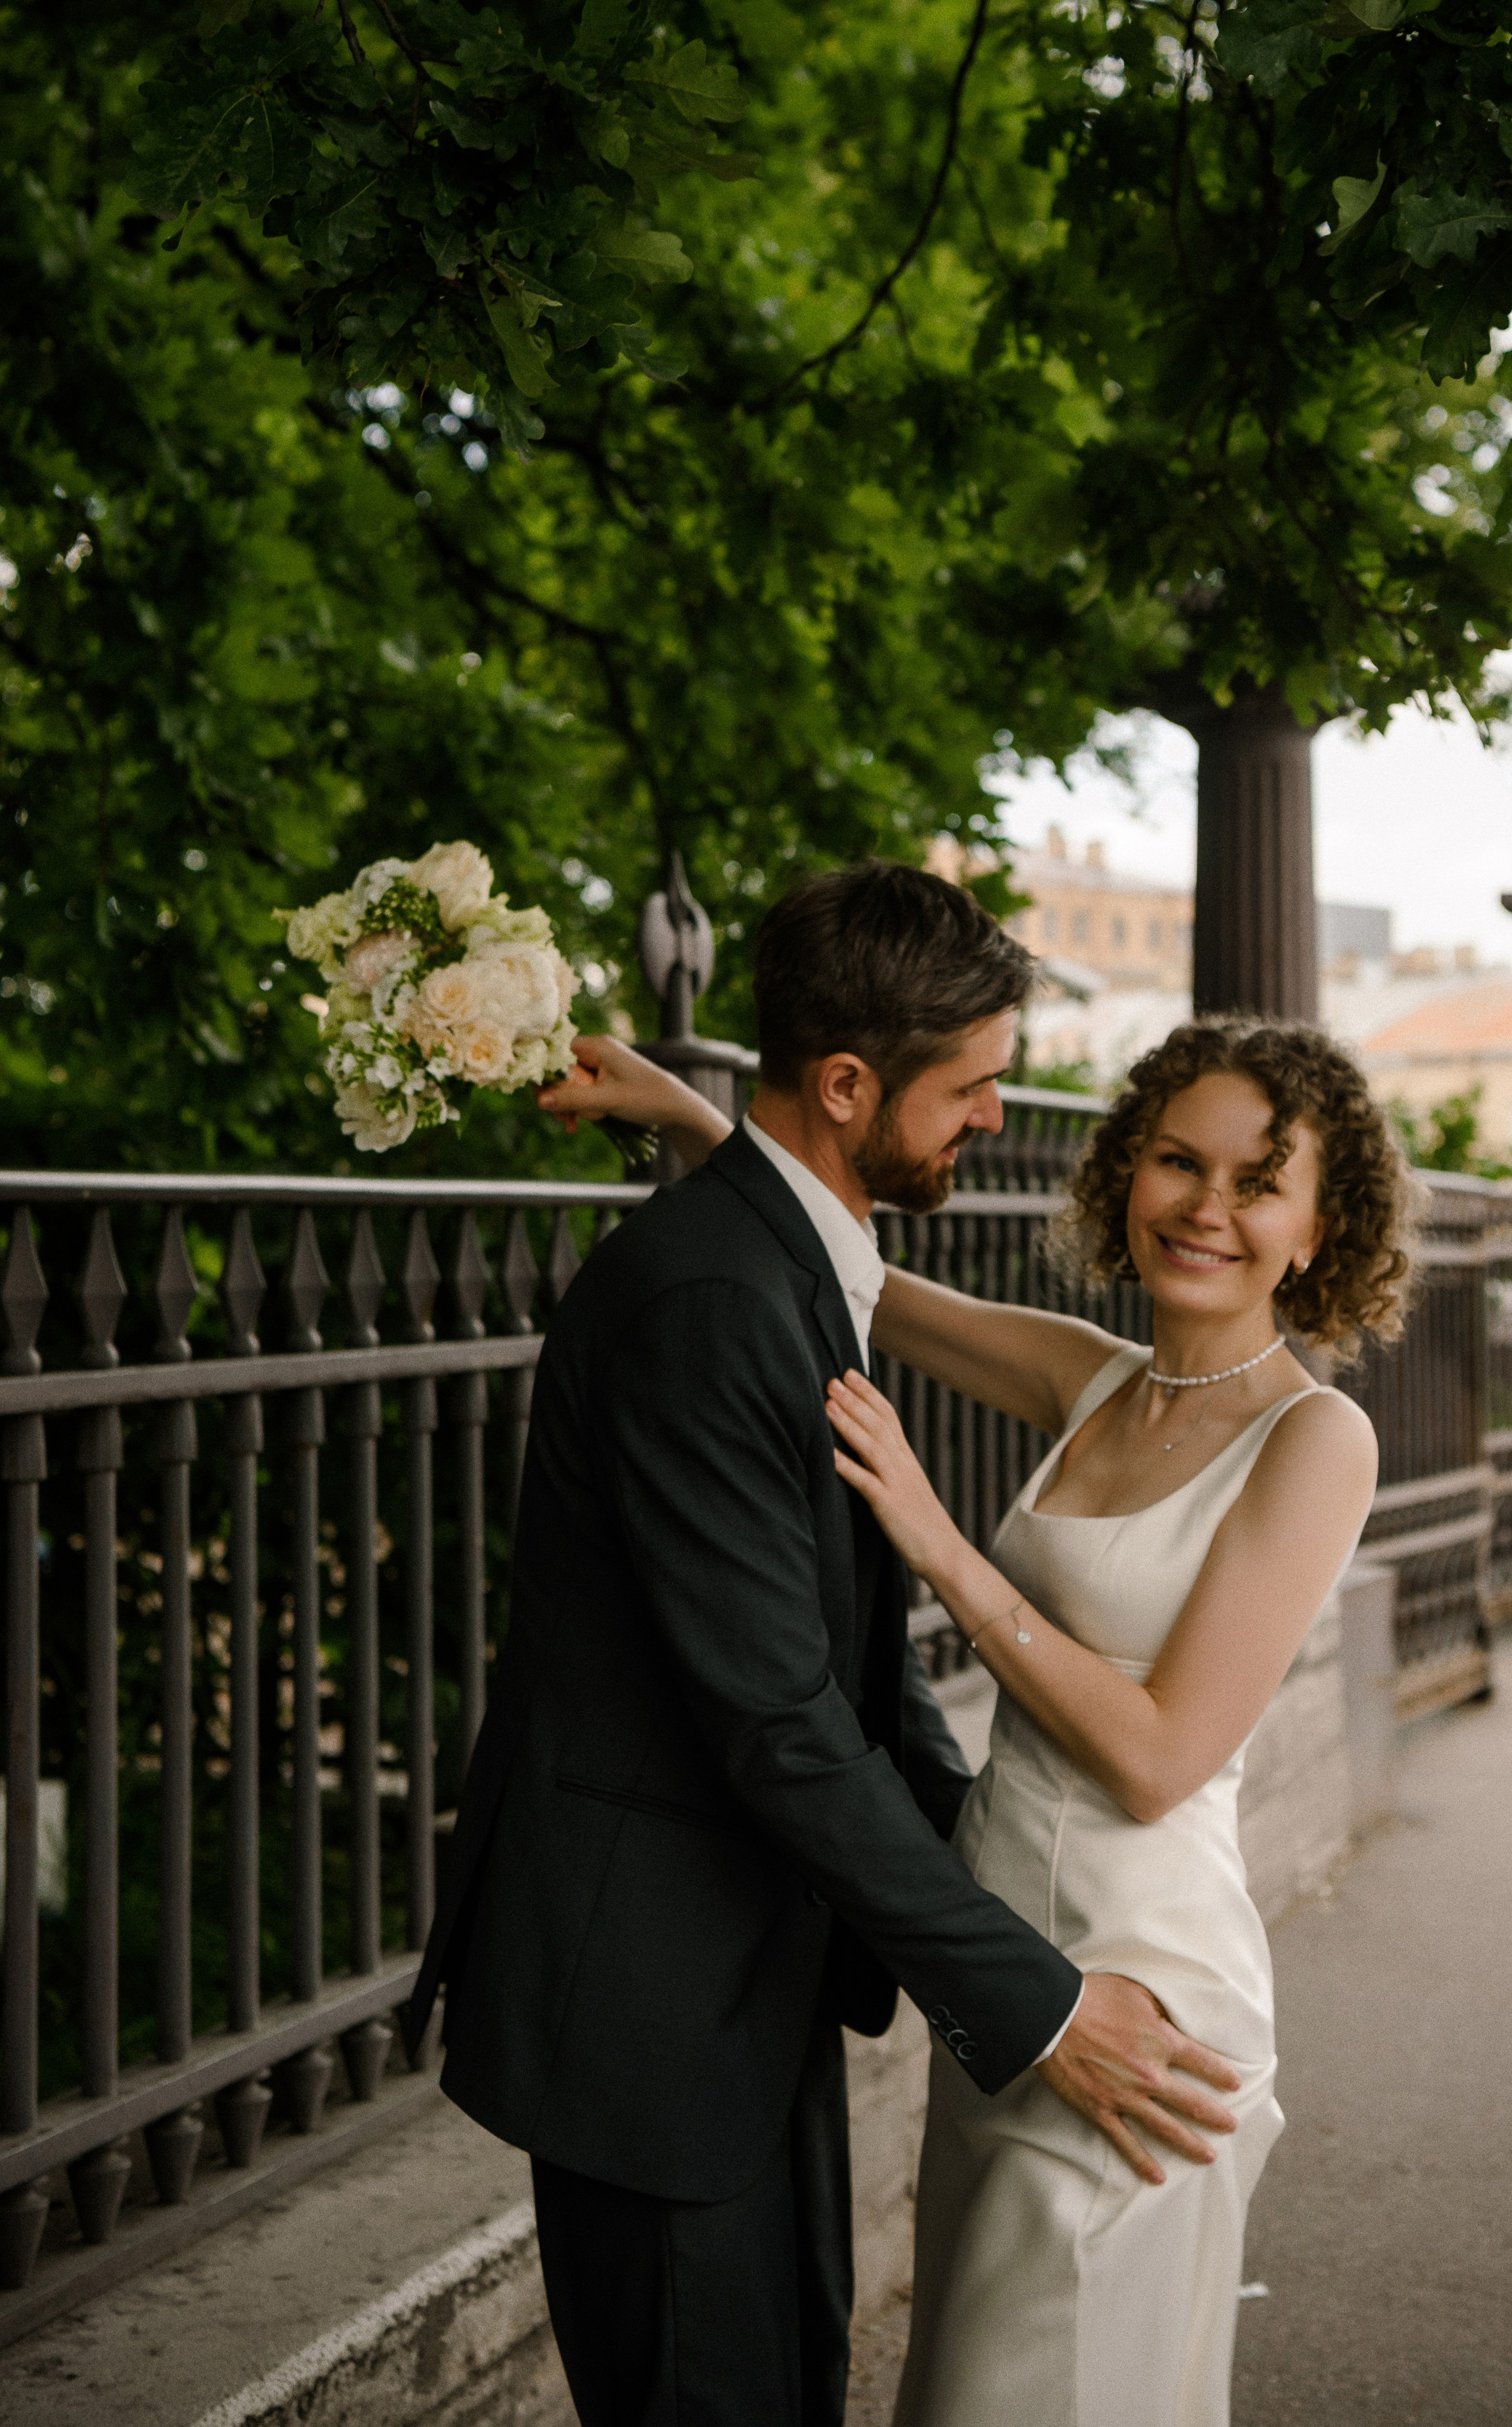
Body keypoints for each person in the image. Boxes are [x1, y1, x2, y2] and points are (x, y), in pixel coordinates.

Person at [406, 863, 1242, 2427]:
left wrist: (1017, 1892)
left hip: (749, 1976)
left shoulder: (796, 1254)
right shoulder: (716, 1296)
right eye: (973, 1087)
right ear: (848, 1086)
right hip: (648, 2015)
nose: (996, 1115)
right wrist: (1041, 2006)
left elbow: (851, 1669)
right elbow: (780, 1720)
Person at [552, 997, 1411, 2427]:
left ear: (1321, 1230)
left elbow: (1155, 1757)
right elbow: (855, 1274)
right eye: (1176, 1162)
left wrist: (940, 1548)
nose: (1205, 1209)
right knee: (970, 2377)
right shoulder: (1092, 1377)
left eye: (1259, 1184)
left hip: (1137, 1991)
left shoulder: (1315, 1438)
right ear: (1123, 1170)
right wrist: (696, 1119)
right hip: (1005, 1967)